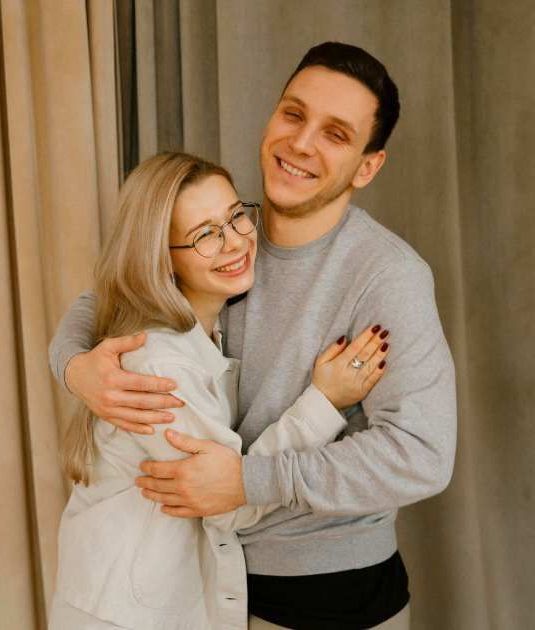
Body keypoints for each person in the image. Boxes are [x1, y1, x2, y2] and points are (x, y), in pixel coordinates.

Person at [49, 42, 456, 629]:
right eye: (294, 114)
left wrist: (248, 480)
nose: (301, 143)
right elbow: (113, 289)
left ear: (367, 166)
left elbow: (422, 455)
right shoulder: (231, 233)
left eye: (336, 134)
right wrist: (74, 365)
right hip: (206, 586)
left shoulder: (387, 276)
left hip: (328, 595)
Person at [50, 152, 388, 629]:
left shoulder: (197, 331)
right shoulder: (159, 363)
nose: (235, 242)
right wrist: (324, 403)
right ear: (162, 259)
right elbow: (228, 500)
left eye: (235, 217)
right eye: (205, 234)